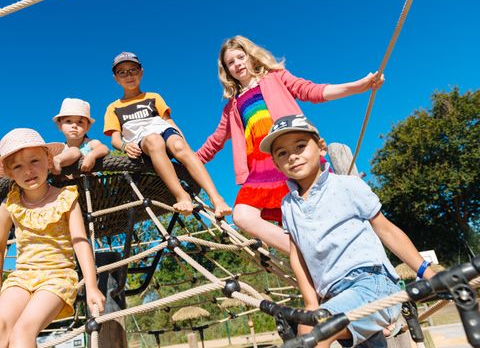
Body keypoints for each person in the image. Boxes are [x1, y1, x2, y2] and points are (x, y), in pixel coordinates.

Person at [197, 35, 385, 254]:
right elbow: (214, 142)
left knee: (320, 214)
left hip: (291, 157)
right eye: (231, 62)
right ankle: (305, 253)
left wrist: (358, 86)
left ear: (251, 57)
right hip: (260, 171)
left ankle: (350, 253)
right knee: (242, 215)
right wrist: (185, 160)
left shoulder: (275, 78)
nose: (237, 64)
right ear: (226, 71)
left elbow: (311, 91)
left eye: (241, 57)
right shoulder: (232, 107)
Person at [259, 114, 435, 347]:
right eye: (282, 153)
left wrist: (427, 272)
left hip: (373, 283)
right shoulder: (288, 206)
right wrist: (311, 302)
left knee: (312, 330)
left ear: (321, 147)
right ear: (276, 163)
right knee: (313, 320)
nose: (292, 156)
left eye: (300, 146)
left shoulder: (347, 186)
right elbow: (297, 255)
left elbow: (387, 230)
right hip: (334, 297)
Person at [0, 128, 105, 348]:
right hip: (22, 277)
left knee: (22, 332)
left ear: (48, 161)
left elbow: (80, 241)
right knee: (1, 326)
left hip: (56, 278)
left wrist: (92, 286)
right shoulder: (10, 205)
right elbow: (1, 247)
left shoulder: (65, 198)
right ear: (10, 173)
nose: (28, 170)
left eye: (34, 161)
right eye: (18, 166)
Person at [104, 52, 231, 218]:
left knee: (179, 145)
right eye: (122, 72)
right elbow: (115, 139)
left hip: (163, 129)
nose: (129, 75)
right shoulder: (114, 107)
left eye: (133, 70)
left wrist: (184, 142)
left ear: (141, 72)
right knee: (154, 140)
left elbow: (169, 122)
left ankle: (217, 198)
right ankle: (181, 195)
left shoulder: (153, 97)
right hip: (142, 139)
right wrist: (125, 146)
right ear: (116, 78)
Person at [52, 98, 110, 174]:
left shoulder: (91, 143)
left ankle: (57, 162)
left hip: (94, 183)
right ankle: (56, 162)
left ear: (87, 127)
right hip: (71, 184)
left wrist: (91, 155)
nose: (74, 125)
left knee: (75, 151)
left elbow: (104, 149)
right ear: (59, 125)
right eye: (68, 121)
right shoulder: (60, 150)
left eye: (80, 122)